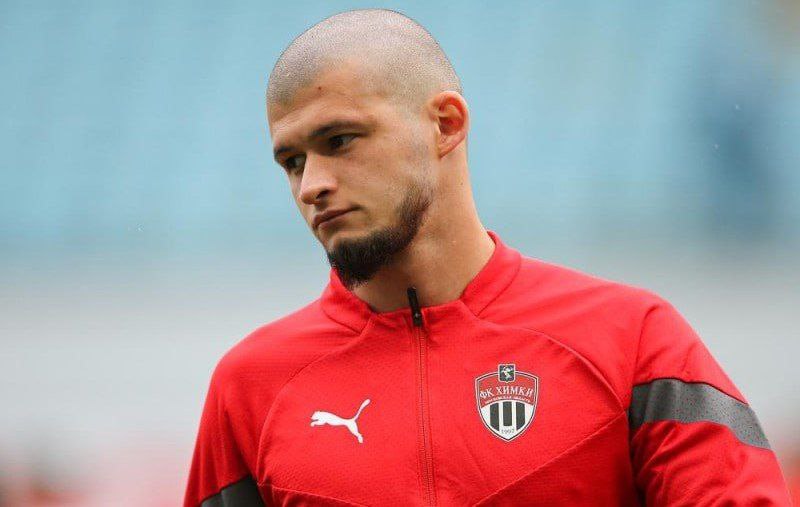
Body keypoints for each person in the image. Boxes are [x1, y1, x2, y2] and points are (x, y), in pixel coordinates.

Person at [183, 8, 791, 506]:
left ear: (446, 125)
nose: (311, 185)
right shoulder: (250, 387)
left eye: (339, 141)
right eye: (292, 162)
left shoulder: (632, 341)